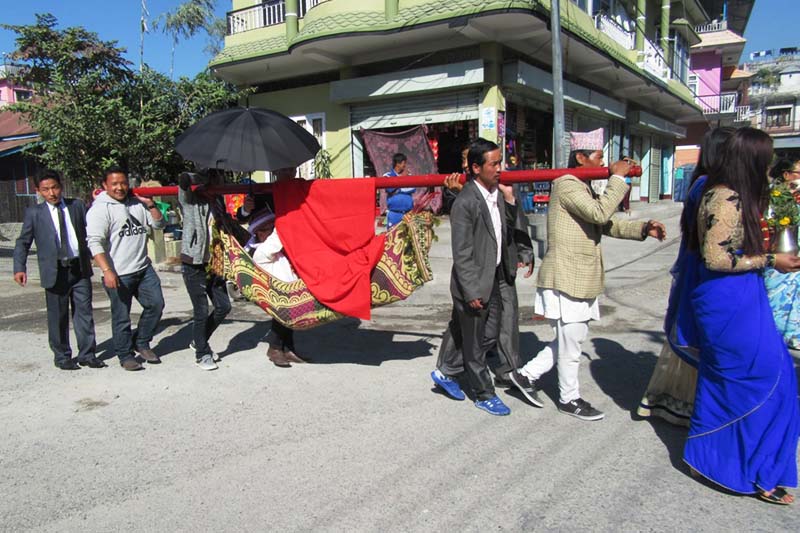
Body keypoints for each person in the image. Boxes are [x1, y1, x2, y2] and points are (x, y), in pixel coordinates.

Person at [683, 128, 800, 505]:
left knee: (741, 379)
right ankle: (745, 466)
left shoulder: (730, 192)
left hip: (739, 295)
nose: (770, 165)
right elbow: (715, 258)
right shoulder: (726, 197)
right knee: (764, 380)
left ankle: (719, 459)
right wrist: (769, 259)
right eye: (764, 157)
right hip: (726, 298)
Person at [518, 129, 666, 421]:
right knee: (572, 343)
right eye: (599, 157)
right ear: (581, 157)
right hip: (567, 275)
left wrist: (642, 228)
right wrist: (618, 178)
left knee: (570, 338)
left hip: (580, 275)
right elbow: (599, 214)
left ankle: (526, 375)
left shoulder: (584, 187)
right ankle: (569, 399)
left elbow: (605, 222)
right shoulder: (567, 185)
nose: (603, 162)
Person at [637, 127, 734, 426]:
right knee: (695, 331)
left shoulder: (703, 184)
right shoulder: (707, 187)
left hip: (698, 262)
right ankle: (687, 400)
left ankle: (689, 398)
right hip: (701, 265)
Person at [432, 144, 536, 406]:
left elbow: (506, 230)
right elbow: (462, 253)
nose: (500, 169)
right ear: (476, 168)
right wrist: (472, 291)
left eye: (500, 163)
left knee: (488, 335)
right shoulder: (465, 202)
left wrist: (511, 201)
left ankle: (447, 370)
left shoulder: (497, 195)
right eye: (494, 164)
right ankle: (484, 394)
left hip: (495, 275)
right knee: (476, 342)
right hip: (474, 283)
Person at [12, 170, 104, 370]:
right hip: (55, 271)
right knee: (58, 315)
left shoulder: (77, 206)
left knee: (84, 312)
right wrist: (19, 267)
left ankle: (87, 354)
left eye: (54, 187)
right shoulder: (34, 213)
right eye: (46, 189)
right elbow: (23, 242)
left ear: (60, 186)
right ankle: (62, 356)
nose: (52, 193)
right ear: (38, 191)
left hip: (78, 268)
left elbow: (91, 229)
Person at [86, 166, 166, 371]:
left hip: (143, 268)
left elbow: (158, 225)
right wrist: (107, 271)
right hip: (119, 273)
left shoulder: (137, 203)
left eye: (123, 183)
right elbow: (94, 243)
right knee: (122, 316)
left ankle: (142, 341)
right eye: (114, 184)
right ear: (105, 185)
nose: (119, 188)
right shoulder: (100, 209)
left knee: (156, 305)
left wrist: (151, 205)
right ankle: (125, 355)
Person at [178, 170, 232, 371]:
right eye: (213, 180)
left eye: (219, 180)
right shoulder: (193, 201)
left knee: (223, 306)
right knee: (201, 310)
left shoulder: (218, 202)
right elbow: (183, 186)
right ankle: (202, 353)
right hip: (194, 263)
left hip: (214, 263)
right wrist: (196, 178)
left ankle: (198, 341)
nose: (217, 184)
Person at [245, 210, 307, 368]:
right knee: (282, 320)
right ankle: (274, 349)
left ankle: (288, 349)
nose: (272, 231)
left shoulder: (274, 250)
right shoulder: (260, 251)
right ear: (259, 233)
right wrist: (287, 217)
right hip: (275, 294)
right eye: (268, 229)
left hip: (288, 290)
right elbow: (278, 237)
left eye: (273, 228)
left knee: (289, 322)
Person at [763, 156, 800, 350]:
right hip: (779, 255)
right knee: (777, 298)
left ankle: (794, 335)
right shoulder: (773, 196)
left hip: (795, 255)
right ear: (786, 175)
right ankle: (774, 335)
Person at [383, 153, 415, 228]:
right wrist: (403, 180)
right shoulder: (387, 176)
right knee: (392, 237)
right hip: (394, 214)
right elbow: (389, 189)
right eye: (404, 163)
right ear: (398, 164)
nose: (405, 166)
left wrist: (397, 188)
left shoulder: (409, 176)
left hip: (408, 214)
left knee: (407, 238)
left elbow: (412, 189)